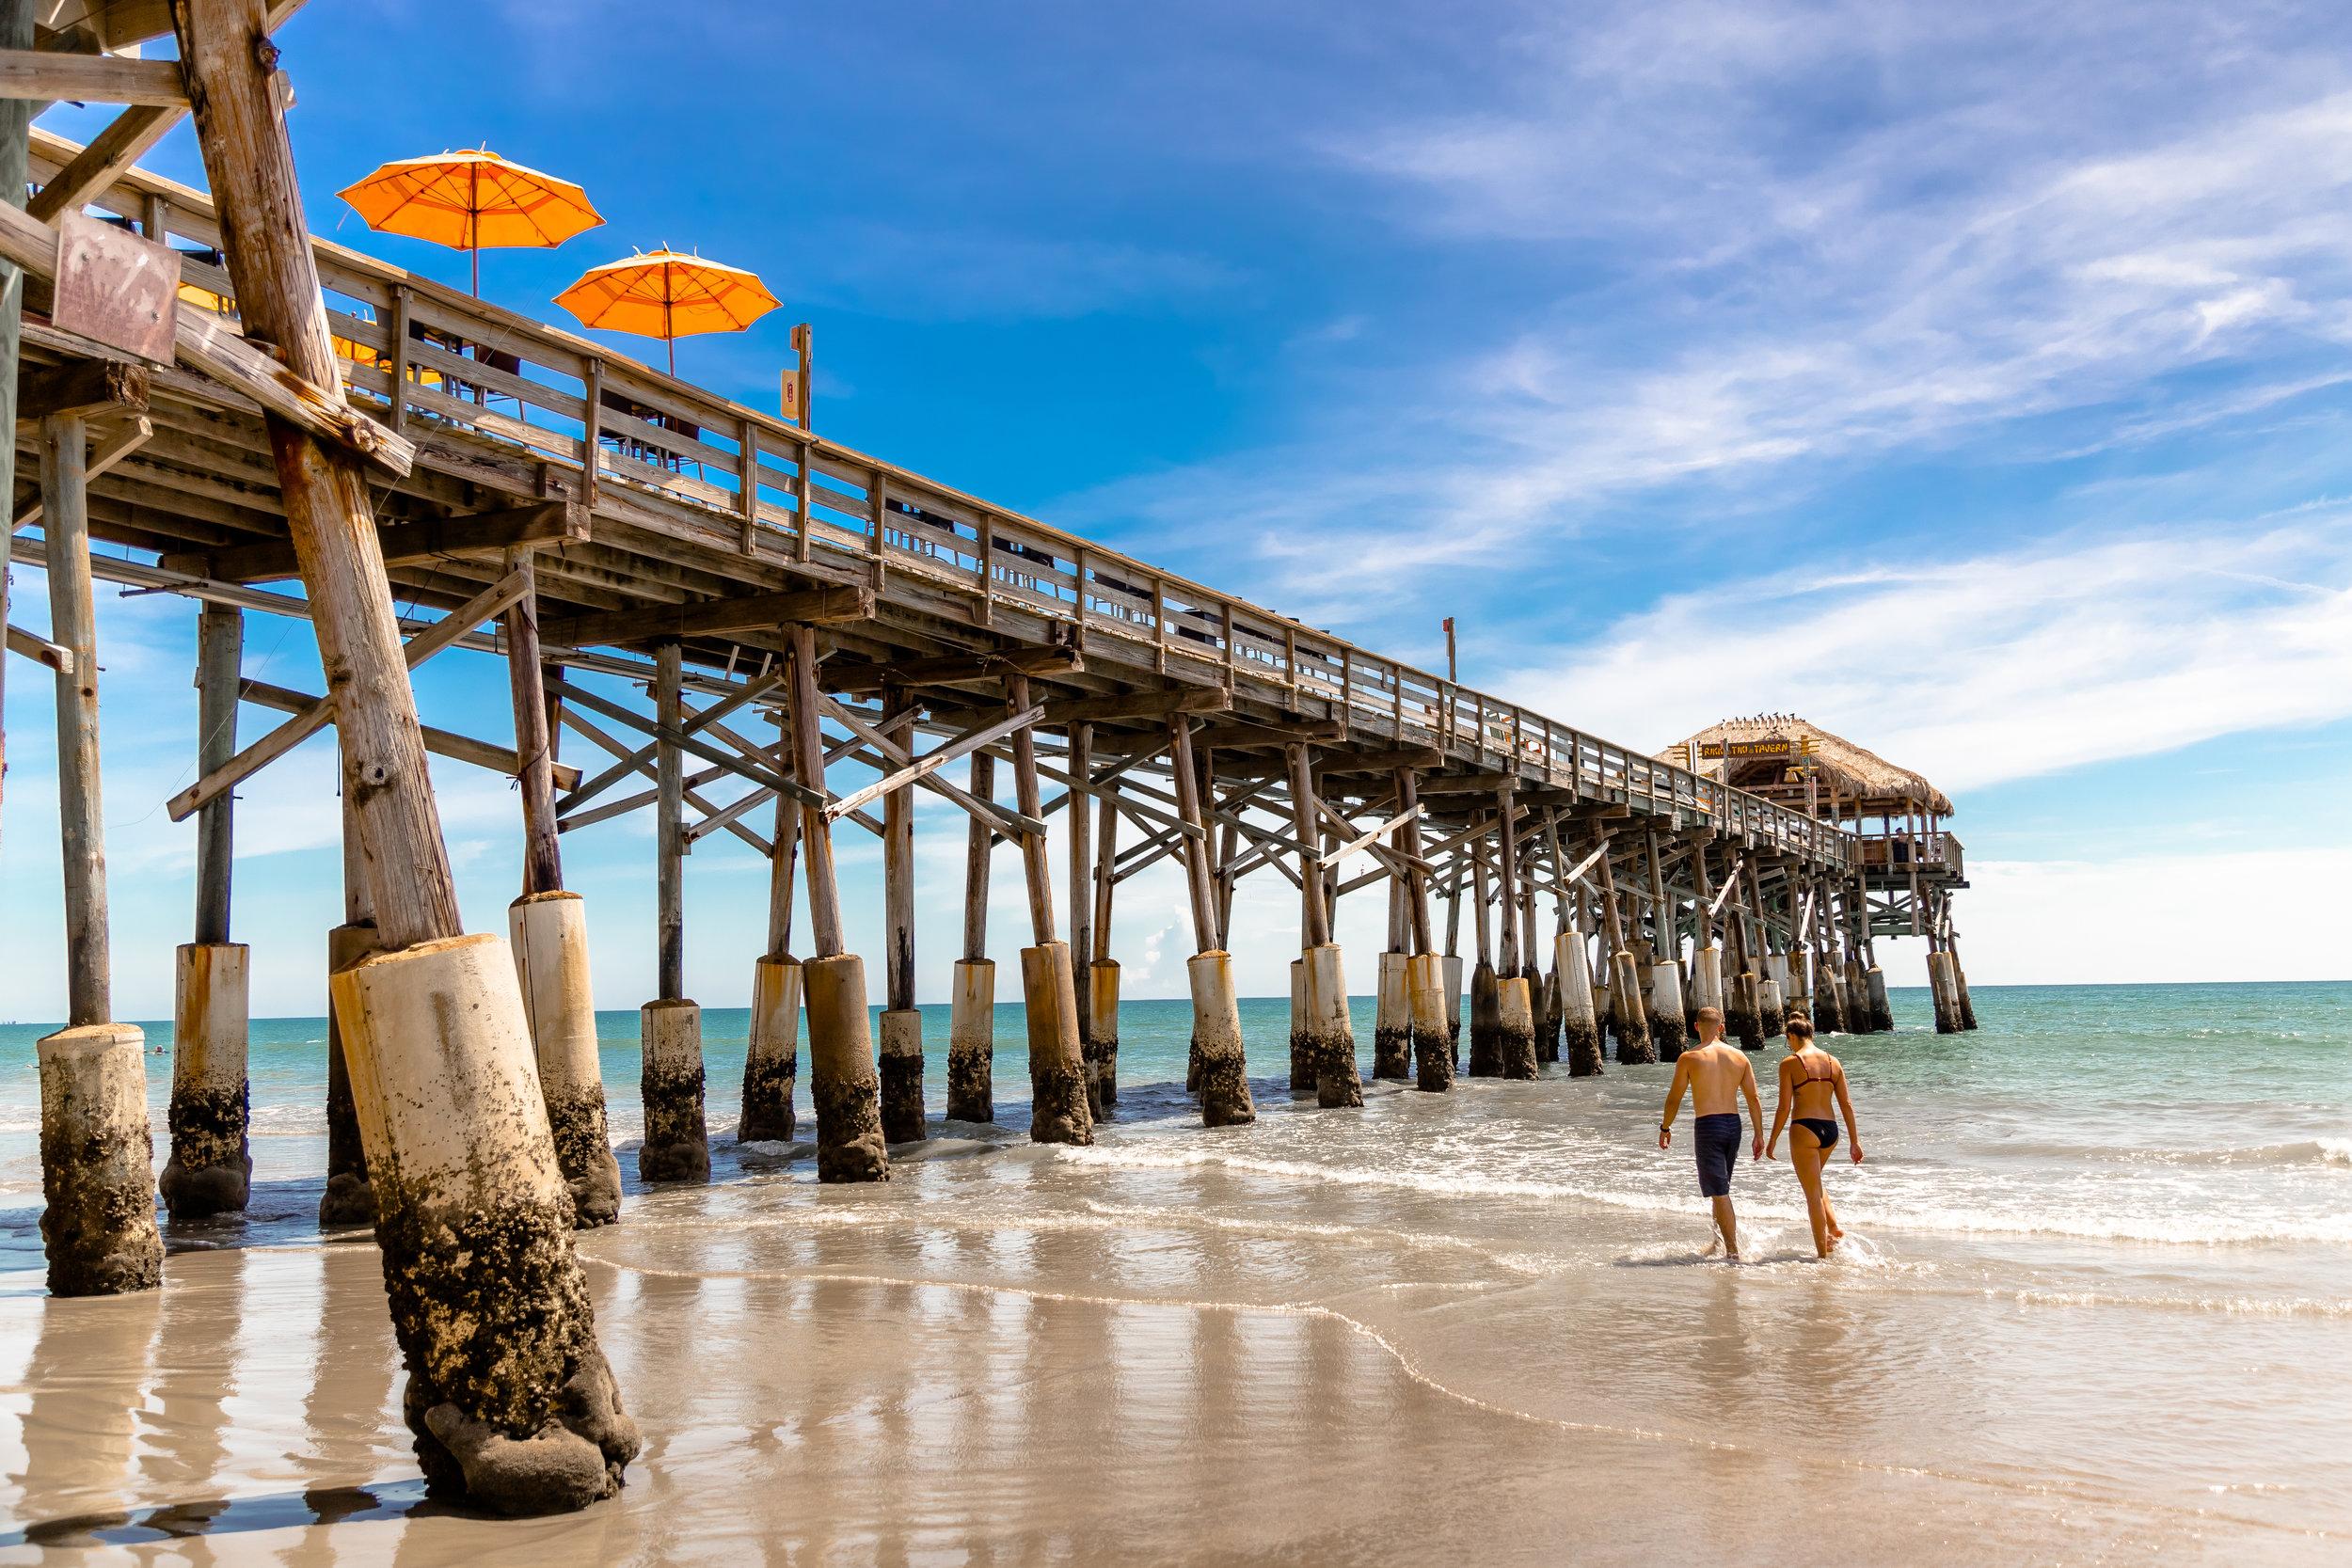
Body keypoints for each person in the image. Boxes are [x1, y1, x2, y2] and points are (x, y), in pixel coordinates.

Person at [1657, 1006, 1764, 1261]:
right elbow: (1753, 1098)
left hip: (1708, 1126)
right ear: (1722, 1027)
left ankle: (1733, 1252)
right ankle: (1717, 1242)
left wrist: (1665, 1127)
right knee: (1720, 1187)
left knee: (1720, 1191)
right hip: (1733, 1125)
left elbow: (1674, 1098)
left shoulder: (1689, 1058)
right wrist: (1759, 1134)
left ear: (1696, 1027)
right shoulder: (1739, 1057)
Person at [1764, 1015, 1864, 1258]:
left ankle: (1822, 1254)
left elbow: (1783, 1107)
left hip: (1804, 1129)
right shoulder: (1833, 1062)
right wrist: (1854, 1141)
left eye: (1787, 1040)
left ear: (1791, 1036)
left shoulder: (1790, 1063)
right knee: (1816, 1182)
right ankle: (1834, 1227)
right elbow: (1847, 1105)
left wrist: (1773, 1139)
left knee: (1811, 1194)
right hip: (1831, 1131)